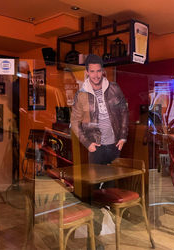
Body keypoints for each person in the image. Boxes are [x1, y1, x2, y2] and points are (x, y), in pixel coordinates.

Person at [70, 54, 129, 247]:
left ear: (103, 71)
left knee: (112, 191)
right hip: (95, 148)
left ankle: (113, 232)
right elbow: (74, 123)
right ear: (87, 72)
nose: (96, 75)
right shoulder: (81, 95)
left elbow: (124, 113)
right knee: (94, 193)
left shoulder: (114, 89)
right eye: (92, 71)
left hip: (114, 148)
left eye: (98, 71)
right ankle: (93, 239)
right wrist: (87, 143)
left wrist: (123, 137)